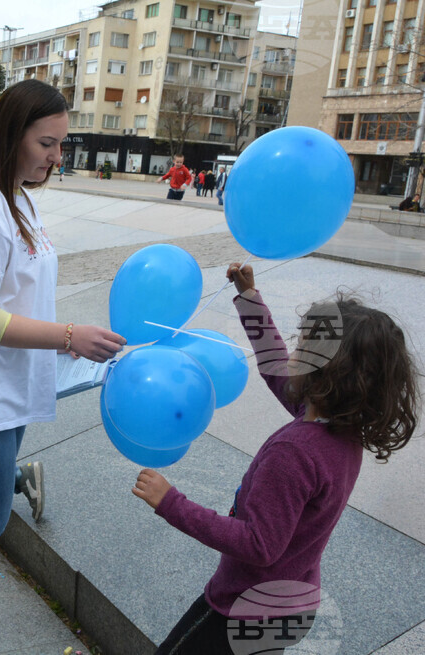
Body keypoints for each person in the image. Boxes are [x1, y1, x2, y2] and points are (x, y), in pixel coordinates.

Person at [0, 79, 126, 655]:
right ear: (11, 137)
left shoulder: (18, 197)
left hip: (7, 388)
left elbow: (12, 300)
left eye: (62, 145)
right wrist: (67, 335)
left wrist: (63, 341)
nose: (57, 158)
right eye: (47, 144)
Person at [134, 262, 419, 655]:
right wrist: (250, 300)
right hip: (289, 606)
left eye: (302, 347)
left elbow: (259, 544)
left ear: (325, 374)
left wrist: (172, 503)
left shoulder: (296, 452)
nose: (293, 349)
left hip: (240, 610)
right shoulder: (340, 429)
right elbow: (274, 368)